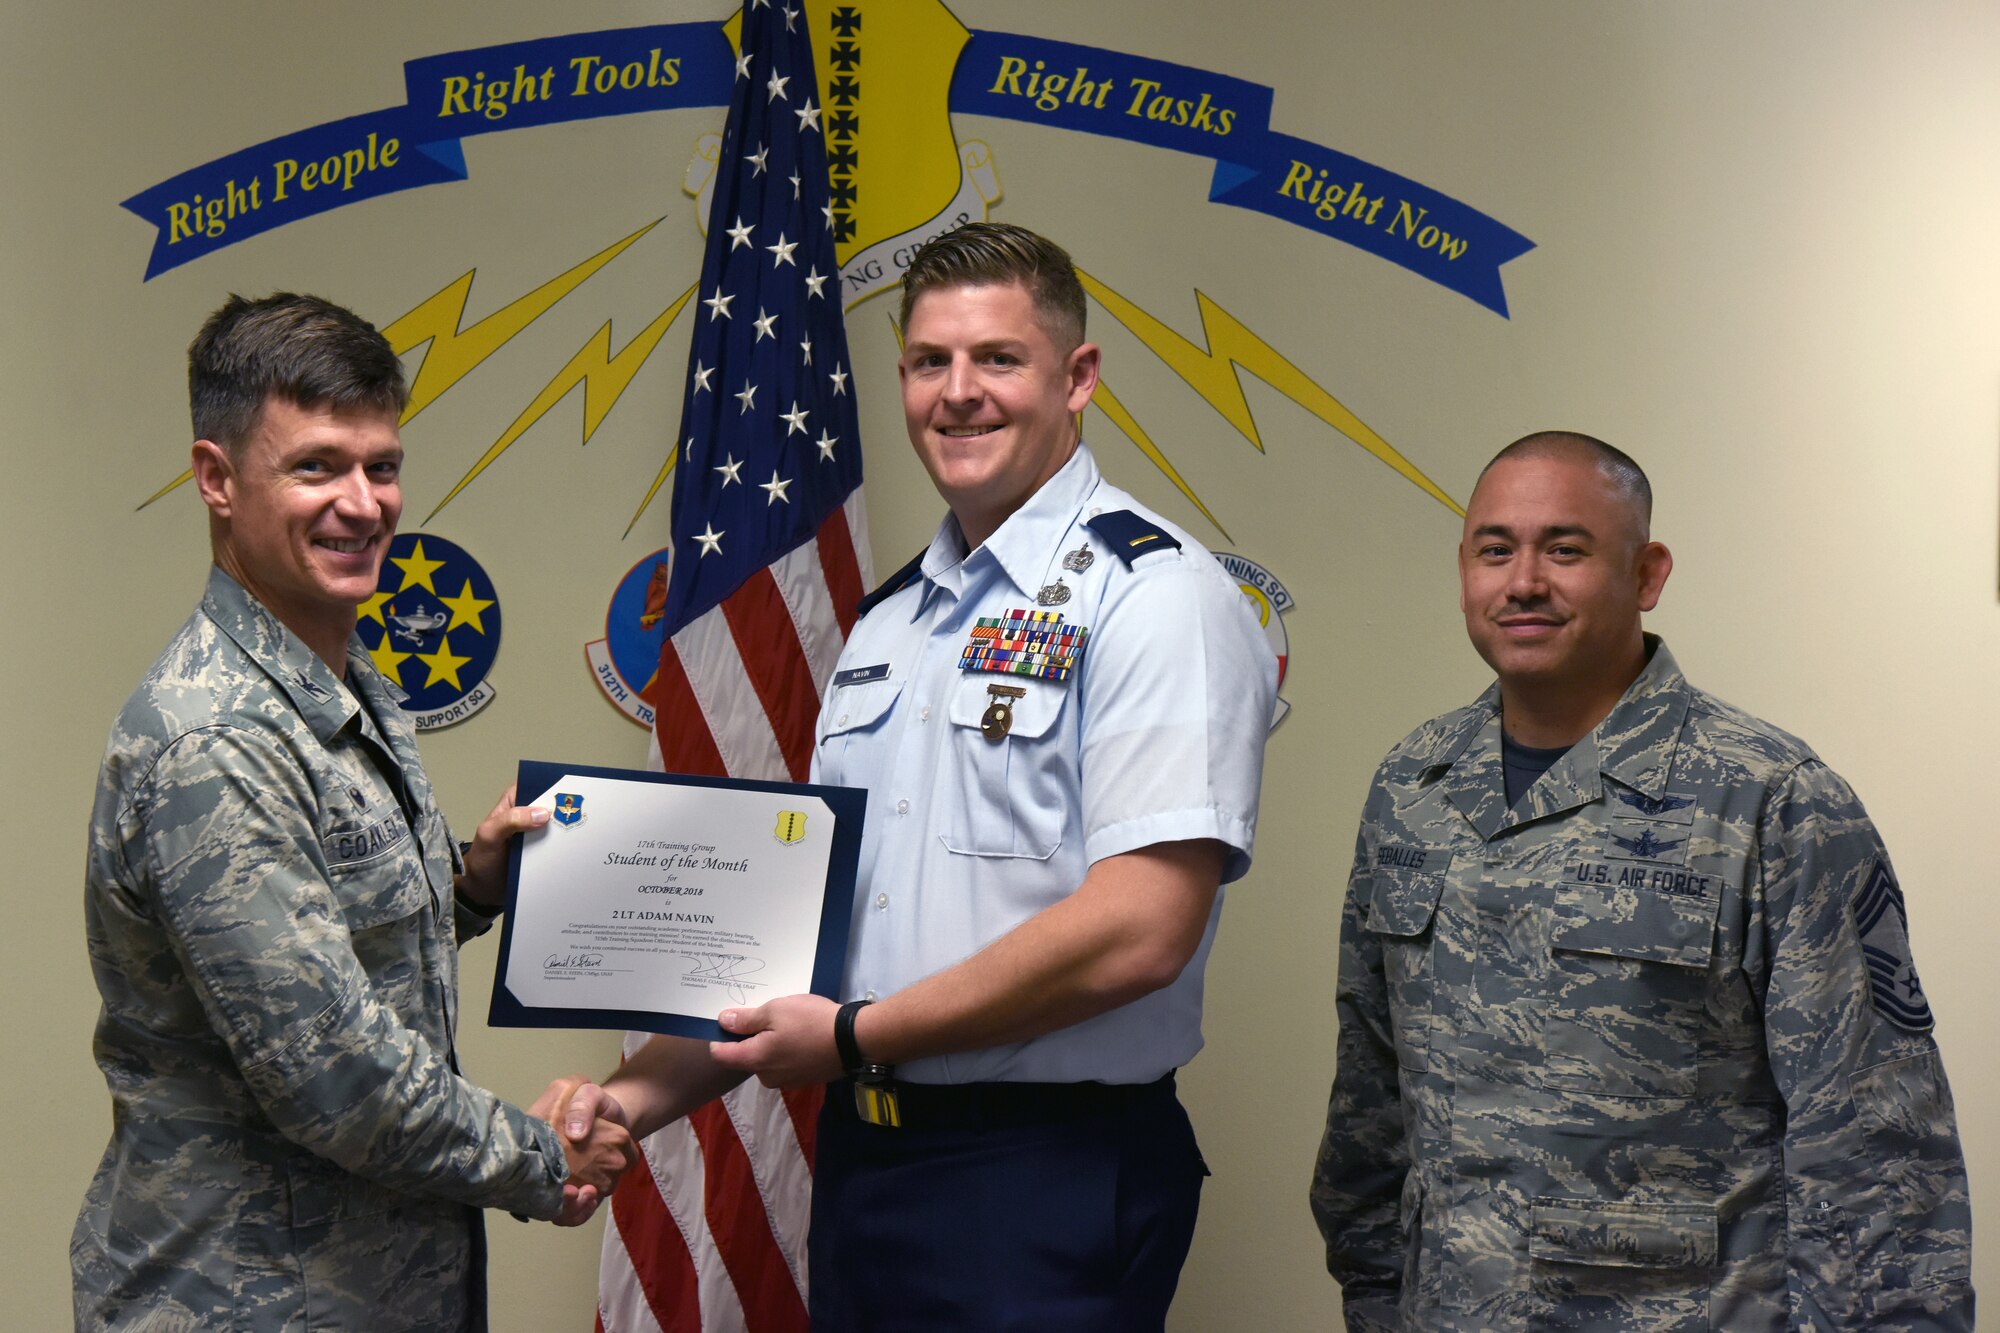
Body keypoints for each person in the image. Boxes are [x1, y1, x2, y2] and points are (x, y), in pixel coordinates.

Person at [555, 222, 1277, 1330]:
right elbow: (792, 941)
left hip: (1044, 1175)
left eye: (997, 358)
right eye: (929, 361)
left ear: (1076, 377)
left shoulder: (1149, 595)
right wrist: (623, 1102)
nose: (959, 393)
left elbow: (1141, 928)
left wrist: (850, 1037)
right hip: (870, 1170)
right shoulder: (891, 620)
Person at [1310, 432, 1974, 1330]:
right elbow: (1371, 1091)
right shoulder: (1412, 786)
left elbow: (1877, 1140)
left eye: (1567, 548)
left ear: (1647, 573)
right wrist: (1375, 1294)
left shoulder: (1770, 798)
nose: (1524, 581)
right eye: (1495, 549)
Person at [73, 293, 636, 1332]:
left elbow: (336, 941)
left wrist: (472, 883)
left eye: (381, 465)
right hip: (248, 1300)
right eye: (317, 466)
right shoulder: (219, 741)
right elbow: (337, 1075)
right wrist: (543, 1156)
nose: (364, 502)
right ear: (216, 478)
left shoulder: (346, 680)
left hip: (373, 1288)